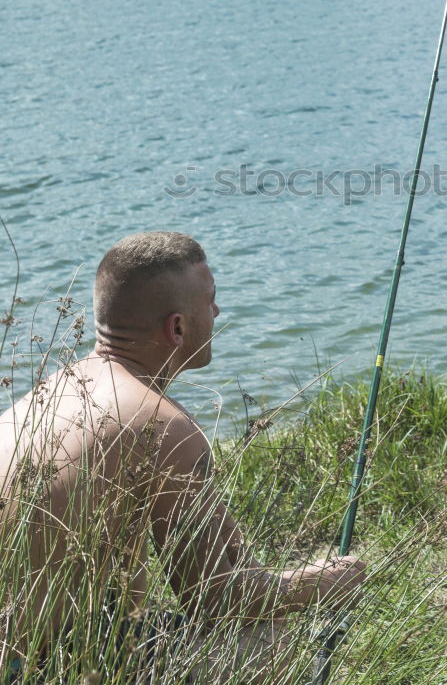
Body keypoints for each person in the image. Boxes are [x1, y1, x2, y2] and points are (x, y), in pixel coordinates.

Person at [0, 232, 366, 683]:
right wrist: (327, 581)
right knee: (269, 643)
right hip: (31, 669)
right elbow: (216, 601)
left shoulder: (45, 397)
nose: (217, 312)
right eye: (210, 301)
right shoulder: (162, 426)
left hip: (30, 644)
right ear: (177, 328)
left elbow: (227, 567)